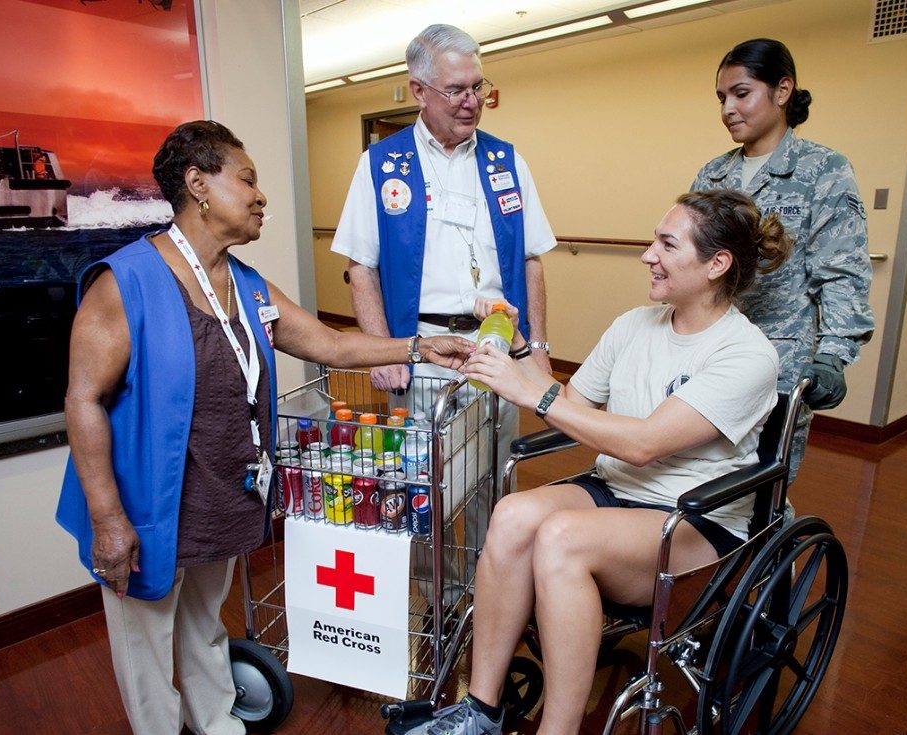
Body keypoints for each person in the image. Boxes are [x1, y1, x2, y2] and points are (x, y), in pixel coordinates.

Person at [56, 121, 473, 735]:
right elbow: (83, 399)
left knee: (203, 626)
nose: (261, 197)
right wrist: (107, 519)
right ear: (198, 185)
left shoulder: (247, 286)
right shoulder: (126, 283)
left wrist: (417, 347)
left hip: (221, 492)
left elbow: (330, 343)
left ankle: (218, 723)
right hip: (149, 503)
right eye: (246, 180)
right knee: (146, 642)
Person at [407, 190, 790, 735]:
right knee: (514, 513)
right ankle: (479, 712)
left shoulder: (746, 355)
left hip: (693, 519)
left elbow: (643, 444)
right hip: (617, 490)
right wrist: (517, 350)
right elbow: (571, 405)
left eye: (666, 243)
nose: (647, 254)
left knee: (563, 536)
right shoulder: (635, 325)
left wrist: (532, 395)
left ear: (716, 264)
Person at [330, 23, 558, 576]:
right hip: (422, 349)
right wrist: (385, 351)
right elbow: (361, 267)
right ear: (419, 91)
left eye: (478, 87)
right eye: (456, 90)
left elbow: (532, 260)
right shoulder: (382, 165)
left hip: (497, 346)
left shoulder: (506, 162)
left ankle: (490, 590)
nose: (471, 101)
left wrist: (540, 350)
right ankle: (438, 600)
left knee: (495, 477)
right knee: (425, 483)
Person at [690, 38, 874, 483]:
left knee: (762, 485)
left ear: (782, 90)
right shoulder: (713, 175)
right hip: (710, 350)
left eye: (741, 93)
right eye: (721, 98)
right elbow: (691, 261)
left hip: (780, 356)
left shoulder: (823, 169)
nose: (728, 109)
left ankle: (769, 550)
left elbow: (842, 271)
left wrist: (833, 355)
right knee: (701, 474)